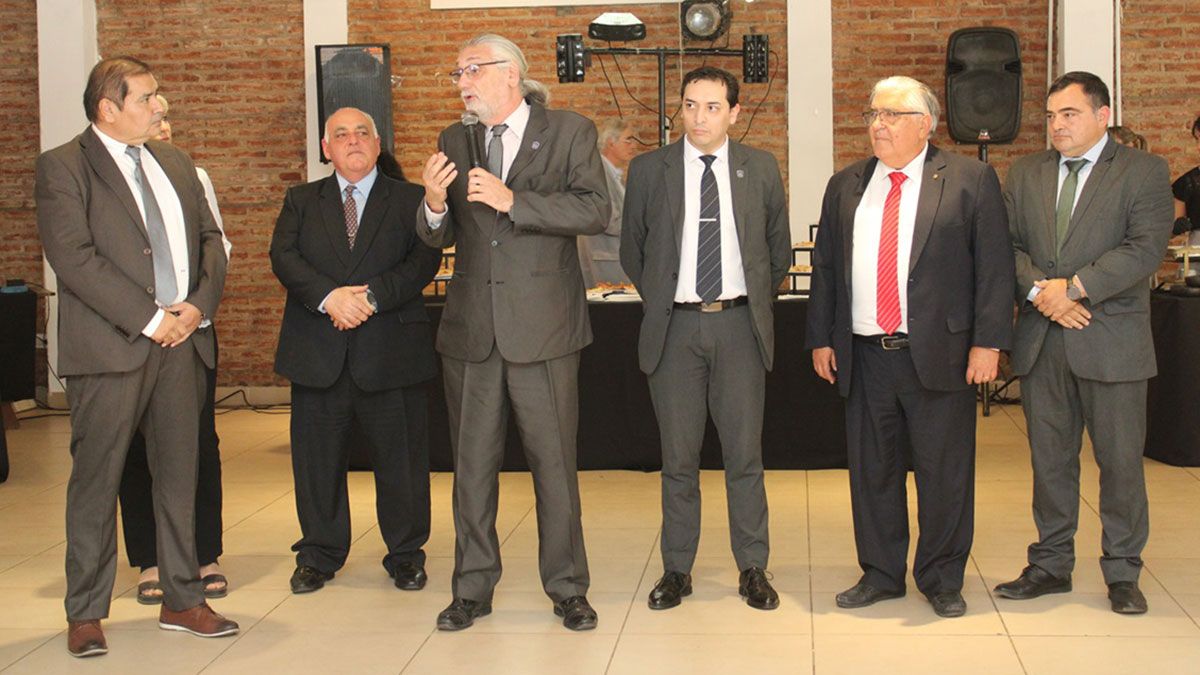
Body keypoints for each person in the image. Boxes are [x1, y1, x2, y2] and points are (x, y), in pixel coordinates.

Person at [36, 56, 235, 658]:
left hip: (182, 343)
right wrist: (152, 320)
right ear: (108, 108)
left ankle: (183, 598)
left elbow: (211, 240)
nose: (159, 106)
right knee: (97, 483)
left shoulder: (175, 162)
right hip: (110, 350)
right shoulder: (63, 166)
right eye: (146, 98)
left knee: (179, 477)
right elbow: (74, 258)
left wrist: (196, 308)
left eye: (157, 95)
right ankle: (85, 612)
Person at [417, 34, 609, 632]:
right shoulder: (455, 139)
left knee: (554, 467)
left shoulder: (570, 131)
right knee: (471, 470)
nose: (462, 82)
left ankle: (568, 588)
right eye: (458, 72)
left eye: (472, 70)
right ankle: (471, 589)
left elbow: (594, 210)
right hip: (472, 332)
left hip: (544, 330)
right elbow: (440, 236)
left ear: (510, 74)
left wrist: (513, 200)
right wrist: (432, 204)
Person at [806, 76, 1014, 618]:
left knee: (944, 473)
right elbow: (825, 268)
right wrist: (821, 337)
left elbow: (994, 269)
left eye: (892, 115)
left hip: (941, 353)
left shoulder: (970, 180)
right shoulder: (846, 184)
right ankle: (880, 573)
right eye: (873, 114)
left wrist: (988, 343)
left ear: (925, 124)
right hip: (865, 353)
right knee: (872, 471)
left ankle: (942, 577)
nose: (878, 124)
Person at [995, 71, 1174, 615]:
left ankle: (1123, 571)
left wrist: (1071, 289)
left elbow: (1144, 248)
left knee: (1120, 464)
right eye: (1051, 116)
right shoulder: (1026, 172)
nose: (1057, 126)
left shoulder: (1143, 171)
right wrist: (1041, 293)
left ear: (1102, 115)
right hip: (1043, 341)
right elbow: (1005, 246)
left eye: (1069, 114)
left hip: (1111, 340)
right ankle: (1051, 564)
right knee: (1051, 462)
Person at [620, 66, 789, 612]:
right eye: (690, 105)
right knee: (678, 459)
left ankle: (753, 567)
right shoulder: (650, 170)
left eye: (712, 107)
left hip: (739, 326)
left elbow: (777, 252)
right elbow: (633, 250)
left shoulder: (760, 168)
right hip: (674, 329)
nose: (698, 117)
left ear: (734, 113)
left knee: (744, 456)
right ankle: (677, 569)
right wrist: (667, 298)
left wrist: (745, 302)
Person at [270, 107, 440, 595]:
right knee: (317, 464)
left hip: (391, 353)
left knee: (402, 463)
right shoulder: (302, 200)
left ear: (378, 143)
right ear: (327, 149)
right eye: (341, 135)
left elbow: (424, 259)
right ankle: (318, 555)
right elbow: (284, 257)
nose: (352, 141)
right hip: (318, 354)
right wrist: (331, 298)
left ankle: (406, 555)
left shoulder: (411, 199)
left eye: (362, 133)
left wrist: (370, 298)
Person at [118, 94, 232, 606]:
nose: (160, 131)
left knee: (198, 444)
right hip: (132, 331)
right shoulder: (108, 180)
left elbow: (217, 247)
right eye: (152, 118)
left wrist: (194, 310)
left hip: (190, 328)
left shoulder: (192, 176)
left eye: (165, 125)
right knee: (134, 449)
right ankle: (150, 558)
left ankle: (204, 554)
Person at [579, 118, 636, 287]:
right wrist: (642, 227)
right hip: (606, 260)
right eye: (628, 140)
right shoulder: (599, 173)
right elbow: (608, 219)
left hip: (613, 257)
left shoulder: (614, 175)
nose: (633, 145)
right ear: (611, 142)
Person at [1171, 115, 1200, 246]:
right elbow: (1169, 232)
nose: (1199, 146)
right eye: (1197, 140)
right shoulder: (1188, 182)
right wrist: (1176, 227)